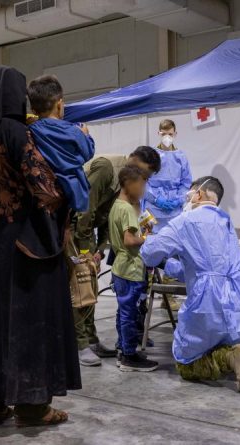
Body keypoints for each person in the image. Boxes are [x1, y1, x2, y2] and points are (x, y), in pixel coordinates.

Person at [0, 66, 81, 429]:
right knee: (31, 322)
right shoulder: (16, 132)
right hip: (29, 248)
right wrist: (71, 192)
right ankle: (32, 407)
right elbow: (43, 186)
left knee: (0, 322)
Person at [140, 176, 240, 392]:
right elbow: (201, 269)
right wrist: (168, 266)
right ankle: (233, 352)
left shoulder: (185, 222)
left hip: (207, 303)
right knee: (218, 339)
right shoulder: (225, 222)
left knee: (186, 363)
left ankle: (229, 358)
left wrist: (149, 241)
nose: (186, 199)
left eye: (189, 194)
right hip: (238, 300)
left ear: (199, 193)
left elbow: (150, 254)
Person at [72, 146, 161, 367]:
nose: (143, 182)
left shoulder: (125, 189)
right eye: (144, 176)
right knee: (79, 286)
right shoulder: (106, 168)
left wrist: (100, 248)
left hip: (88, 234)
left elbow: (104, 216)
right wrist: (85, 251)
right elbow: (85, 209)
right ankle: (80, 344)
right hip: (72, 231)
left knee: (90, 287)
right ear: (135, 161)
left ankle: (91, 339)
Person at [109, 164, 158, 372]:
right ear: (129, 184)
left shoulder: (117, 206)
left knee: (124, 312)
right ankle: (129, 355)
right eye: (142, 186)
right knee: (130, 313)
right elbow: (129, 240)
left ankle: (123, 349)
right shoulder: (128, 209)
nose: (144, 190)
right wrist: (146, 237)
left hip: (119, 268)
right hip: (130, 268)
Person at [27, 74, 96, 213]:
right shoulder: (73, 131)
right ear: (59, 104)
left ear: (34, 111)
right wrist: (86, 135)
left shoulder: (32, 130)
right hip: (74, 194)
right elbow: (88, 153)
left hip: (47, 191)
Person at [144, 119, 192, 311]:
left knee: (174, 251)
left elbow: (186, 182)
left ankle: (168, 296)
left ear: (175, 133)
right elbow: (145, 181)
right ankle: (144, 295)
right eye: (164, 133)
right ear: (158, 133)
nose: (167, 137)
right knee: (150, 248)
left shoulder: (181, 157)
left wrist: (179, 199)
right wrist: (156, 200)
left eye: (170, 133)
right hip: (154, 209)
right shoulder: (150, 156)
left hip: (174, 211)